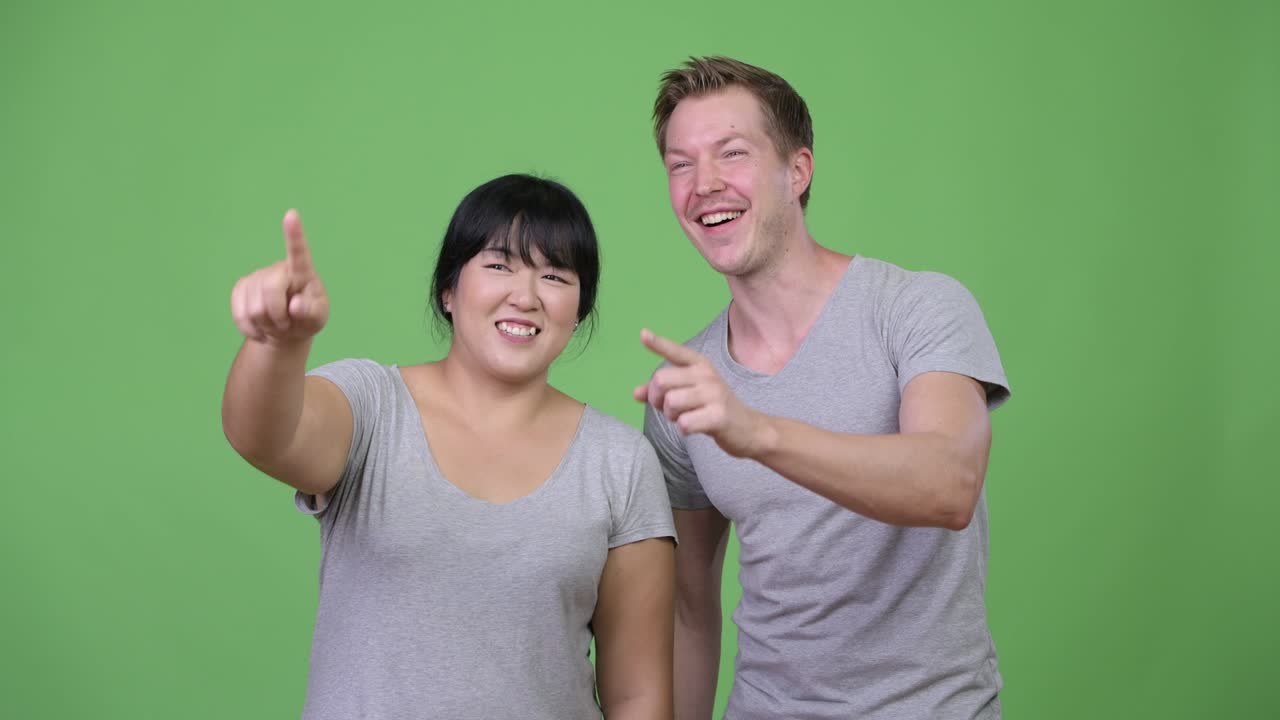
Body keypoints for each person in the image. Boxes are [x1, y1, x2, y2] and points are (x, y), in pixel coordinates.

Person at [634, 57, 1012, 719]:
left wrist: (758, 433)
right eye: (681, 164)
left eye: (732, 154)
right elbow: (690, 613)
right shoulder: (686, 384)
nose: (705, 185)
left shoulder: (918, 308)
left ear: (798, 170)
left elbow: (948, 482)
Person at [222, 174, 676, 720]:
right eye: (499, 265)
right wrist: (277, 344)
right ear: (448, 290)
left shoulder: (619, 463)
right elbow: (265, 436)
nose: (525, 296)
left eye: (555, 275)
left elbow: (638, 696)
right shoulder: (372, 406)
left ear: (578, 309)